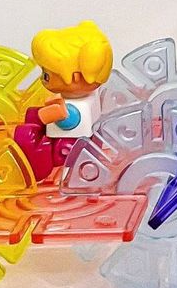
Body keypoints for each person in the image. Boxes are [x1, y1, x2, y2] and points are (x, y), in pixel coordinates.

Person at [14, 20, 114, 181]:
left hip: (66, 148)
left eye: (46, 75)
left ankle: (59, 177)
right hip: (84, 143)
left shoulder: (71, 109)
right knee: (31, 116)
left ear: (75, 77)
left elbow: (54, 117)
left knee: (25, 134)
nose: (42, 79)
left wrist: (42, 115)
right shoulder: (91, 98)